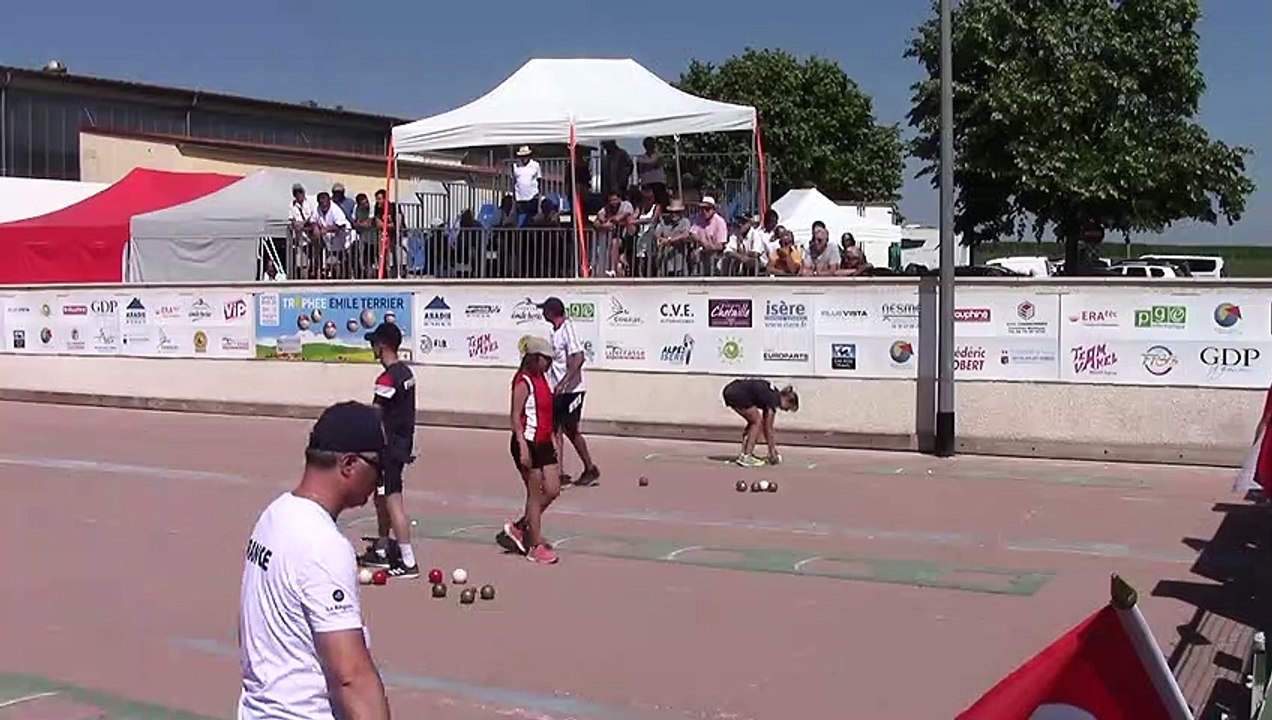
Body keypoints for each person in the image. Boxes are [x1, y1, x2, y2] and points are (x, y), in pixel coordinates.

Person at [238, 401, 391, 720]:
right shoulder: (323, 545)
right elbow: (351, 677)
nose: (380, 484)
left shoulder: (274, 515)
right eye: (379, 468)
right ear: (349, 464)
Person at [358, 321, 419, 579]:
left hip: (389, 447)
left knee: (393, 500)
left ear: (382, 346)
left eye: (373, 343)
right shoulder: (406, 373)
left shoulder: (387, 378)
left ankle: (408, 561)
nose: (372, 347)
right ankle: (383, 549)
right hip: (401, 444)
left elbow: (375, 417)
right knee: (381, 496)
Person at [496, 335, 562, 564]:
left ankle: (520, 527)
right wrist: (522, 445)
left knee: (553, 489)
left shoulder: (544, 379)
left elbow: (547, 412)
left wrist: (553, 439)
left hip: (544, 440)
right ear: (534, 358)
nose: (549, 363)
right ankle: (533, 546)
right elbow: (515, 416)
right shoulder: (523, 381)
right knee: (534, 493)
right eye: (545, 359)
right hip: (527, 441)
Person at [538, 296, 600, 486]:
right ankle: (560, 472)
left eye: (544, 310)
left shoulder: (567, 329)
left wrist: (564, 383)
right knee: (555, 429)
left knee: (570, 430)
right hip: (558, 391)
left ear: (551, 312)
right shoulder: (554, 332)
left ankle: (590, 468)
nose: (541, 313)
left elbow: (579, 357)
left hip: (573, 391)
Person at [721, 377, 800, 467]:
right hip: (737, 393)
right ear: (787, 399)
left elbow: (766, 427)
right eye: (788, 408)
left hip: (732, 389)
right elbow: (768, 428)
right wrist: (772, 451)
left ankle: (744, 453)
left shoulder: (772, 394)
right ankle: (747, 456)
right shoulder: (774, 400)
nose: (785, 410)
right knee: (757, 422)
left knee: (753, 422)